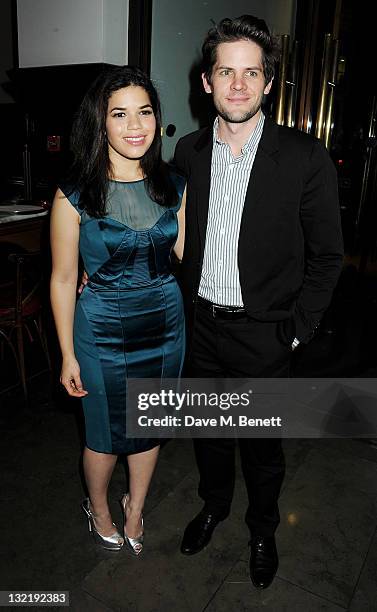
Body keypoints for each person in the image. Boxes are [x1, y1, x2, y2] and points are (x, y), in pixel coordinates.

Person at [174, 15, 343, 588]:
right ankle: (214, 506)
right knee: (212, 436)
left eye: (252, 73)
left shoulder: (303, 156)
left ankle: (262, 528)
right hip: (202, 327)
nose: (239, 85)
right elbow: (171, 235)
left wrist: (296, 330)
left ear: (268, 83)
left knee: (262, 446)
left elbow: (327, 257)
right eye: (227, 72)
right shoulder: (189, 153)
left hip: (265, 333)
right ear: (207, 81)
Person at [50, 65, 186, 555]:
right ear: (101, 123)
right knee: (104, 435)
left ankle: (135, 508)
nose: (135, 125)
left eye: (145, 112)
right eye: (120, 114)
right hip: (101, 331)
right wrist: (67, 354)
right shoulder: (74, 194)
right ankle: (100, 507)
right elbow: (64, 278)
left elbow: (184, 255)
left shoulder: (175, 185)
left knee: (148, 428)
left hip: (166, 327)